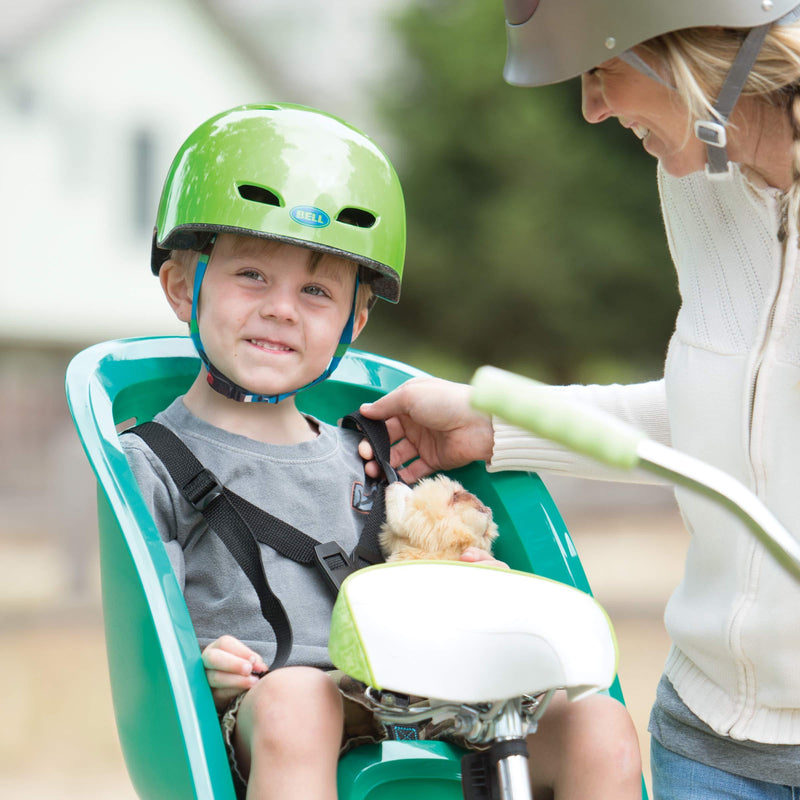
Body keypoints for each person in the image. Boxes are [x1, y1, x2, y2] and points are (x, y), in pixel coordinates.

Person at [121, 103, 641, 800]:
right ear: (184, 285)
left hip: (411, 697)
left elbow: (432, 566)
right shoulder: (152, 458)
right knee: (299, 699)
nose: (282, 309)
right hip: (266, 711)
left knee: (600, 724)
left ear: (353, 321)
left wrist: (472, 583)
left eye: (315, 290)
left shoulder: (371, 456)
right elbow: (146, 632)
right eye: (252, 276)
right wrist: (198, 662)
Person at [359, 2, 800, 798]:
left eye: (600, 70)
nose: (591, 109)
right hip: (708, 745)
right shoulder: (697, 182)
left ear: (684, 45)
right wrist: (496, 424)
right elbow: (729, 416)